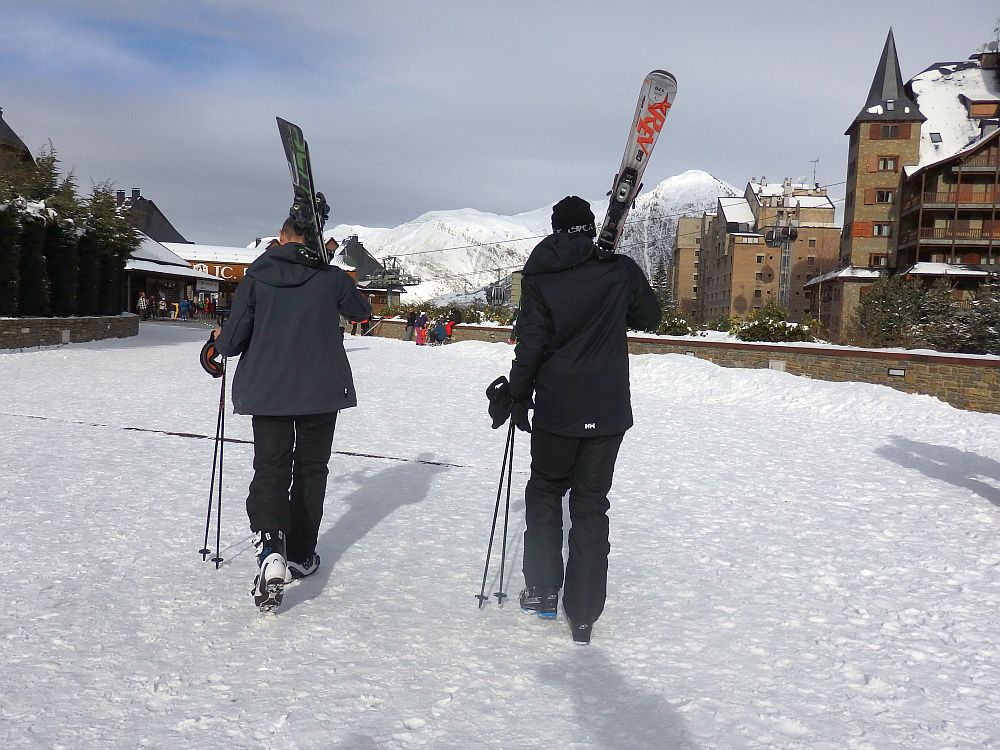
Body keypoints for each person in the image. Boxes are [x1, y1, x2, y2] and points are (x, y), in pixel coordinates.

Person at [493, 196, 660, 644]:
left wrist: (516, 394)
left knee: (546, 491)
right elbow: (650, 316)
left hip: (557, 408)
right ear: (591, 227)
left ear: (554, 228)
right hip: (606, 410)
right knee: (590, 504)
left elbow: (531, 344)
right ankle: (584, 612)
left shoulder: (541, 276)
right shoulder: (618, 268)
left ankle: (544, 591)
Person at [213, 215, 371, 612]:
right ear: (315, 241)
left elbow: (232, 341)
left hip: (269, 391)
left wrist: (217, 341)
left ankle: (271, 549)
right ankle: (301, 553)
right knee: (311, 470)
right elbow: (360, 311)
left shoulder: (256, 277)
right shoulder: (329, 276)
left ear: (281, 238)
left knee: (271, 468)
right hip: (321, 390)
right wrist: (328, 265)